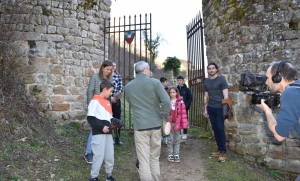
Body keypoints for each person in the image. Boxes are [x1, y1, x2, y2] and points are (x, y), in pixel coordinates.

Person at [125, 61, 170, 181]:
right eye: (149, 70)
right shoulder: (155, 82)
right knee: (154, 157)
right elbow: (166, 101)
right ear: (145, 70)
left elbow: (132, 104)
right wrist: (166, 118)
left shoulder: (128, 87)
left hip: (140, 126)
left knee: (143, 160)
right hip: (155, 125)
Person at [256, 60, 300, 141]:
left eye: (268, 78)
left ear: (277, 78)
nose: (266, 82)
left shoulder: (290, 93)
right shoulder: (295, 89)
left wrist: (267, 111)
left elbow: (279, 135)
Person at [84, 60, 113, 164]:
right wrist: (90, 106)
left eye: (110, 70)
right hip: (96, 108)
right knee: (95, 130)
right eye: (107, 69)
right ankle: (88, 153)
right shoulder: (95, 77)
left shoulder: (109, 79)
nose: (109, 71)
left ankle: (97, 152)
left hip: (105, 109)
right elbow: (89, 92)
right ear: (102, 68)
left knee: (100, 130)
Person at [87, 79, 116, 181]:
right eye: (110, 91)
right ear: (104, 89)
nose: (111, 93)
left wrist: (115, 122)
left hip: (108, 134)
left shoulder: (107, 102)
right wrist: (101, 127)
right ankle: (93, 177)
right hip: (98, 133)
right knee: (98, 155)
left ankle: (109, 175)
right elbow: (90, 118)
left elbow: (108, 118)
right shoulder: (95, 101)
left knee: (110, 155)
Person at [203, 62, 228, 162]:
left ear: (216, 69)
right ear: (208, 70)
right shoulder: (206, 82)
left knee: (220, 128)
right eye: (209, 69)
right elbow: (205, 96)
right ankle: (219, 149)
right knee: (215, 129)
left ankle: (223, 152)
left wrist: (225, 109)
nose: (211, 70)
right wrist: (205, 109)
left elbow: (226, 96)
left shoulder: (222, 80)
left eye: (213, 68)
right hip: (210, 107)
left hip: (219, 108)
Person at [167, 87, 188, 163]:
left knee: (177, 139)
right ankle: (170, 154)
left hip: (177, 124)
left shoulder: (180, 102)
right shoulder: (167, 101)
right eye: (171, 92)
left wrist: (184, 124)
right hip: (169, 124)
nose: (172, 94)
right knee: (170, 139)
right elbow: (164, 113)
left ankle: (176, 154)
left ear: (176, 93)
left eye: (173, 92)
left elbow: (183, 114)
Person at [176, 75, 192, 140]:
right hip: (177, 108)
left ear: (183, 81)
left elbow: (190, 98)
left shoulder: (187, 89)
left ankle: (185, 133)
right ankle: (179, 133)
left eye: (181, 80)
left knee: (184, 120)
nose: (179, 82)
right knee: (178, 120)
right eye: (178, 80)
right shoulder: (176, 89)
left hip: (184, 108)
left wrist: (187, 106)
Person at [111, 62, 123, 145]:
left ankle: (117, 138)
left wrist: (115, 97)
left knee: (117, 119)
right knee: (107, 119)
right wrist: (110, 98)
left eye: (115, 66)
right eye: (112, 65)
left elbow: (120, 88)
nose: (113, 67)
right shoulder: (105, 76)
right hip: (107, 100)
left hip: (116, 101)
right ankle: (108, 137)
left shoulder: (118, 77)